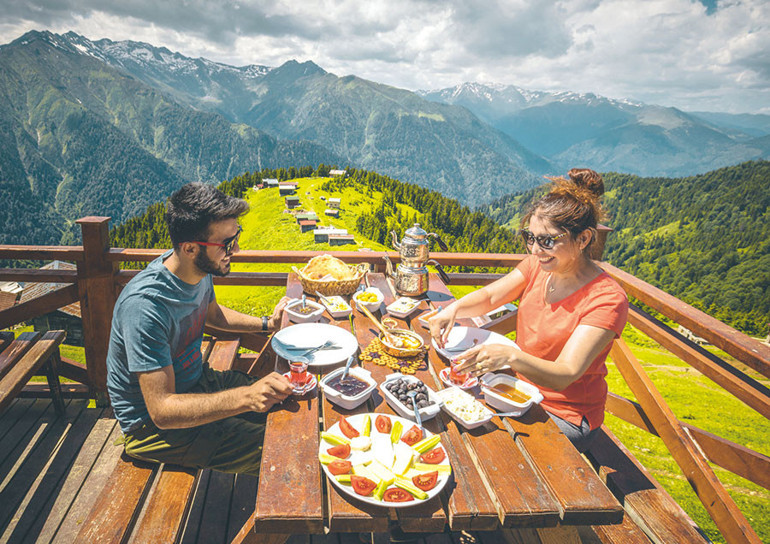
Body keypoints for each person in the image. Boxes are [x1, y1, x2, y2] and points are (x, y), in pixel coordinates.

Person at [429, 169, 628, 452]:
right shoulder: (541, 265)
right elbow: (490, 297)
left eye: (547, 240)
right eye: (530, 238)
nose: (535, 250)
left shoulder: (606, 299)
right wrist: (455, 308)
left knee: (481, 448)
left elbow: (566, 374)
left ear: (583, 239)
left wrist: (512, 356)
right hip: (516, 389)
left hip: (564, 413)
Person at [106, 182, 294, 476]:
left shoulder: (196, 271)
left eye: (237, 236)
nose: (237, 249)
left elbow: (213, 315)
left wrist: (267, 324)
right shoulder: (144, 307)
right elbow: (162, 411)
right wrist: (246, 397)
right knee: (284, 453)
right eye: (227, 244)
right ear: (190, 247)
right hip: (150, 428)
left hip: (197, 382)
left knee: (288, 407)